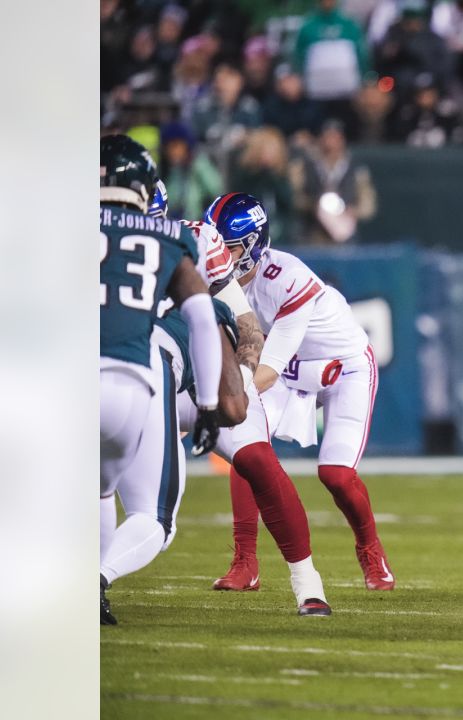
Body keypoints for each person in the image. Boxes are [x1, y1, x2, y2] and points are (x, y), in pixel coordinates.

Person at [148, 185, 332, 614]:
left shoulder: (196, 240)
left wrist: (242, 379)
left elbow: (247, 325)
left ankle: (308, 582)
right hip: (146, 380)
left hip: (207, 379)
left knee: (258, 461)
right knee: (147, 512)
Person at [206, 192, 397, 592]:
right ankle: (246, 561)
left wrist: (211, 409)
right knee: (247, 448)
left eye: (229, 247)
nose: (219, 254)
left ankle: (369, 547)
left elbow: (267, 371)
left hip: (341, 369)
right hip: (292, 372)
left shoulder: (285, 279)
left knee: (337, 475)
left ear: (254, 245)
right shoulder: (214, 283)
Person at [99, 134, 223, 624]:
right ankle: (97, 581)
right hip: (133, 377)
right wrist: (209, 402)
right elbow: (201, 317)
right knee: (148, 513)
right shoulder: (168, 237)